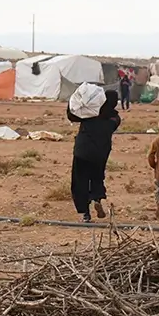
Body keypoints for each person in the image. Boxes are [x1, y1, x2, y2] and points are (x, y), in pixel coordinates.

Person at [68, 90, 121, 222]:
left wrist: (75, 100)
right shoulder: (114, 119)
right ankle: (97, 198)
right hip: (100, 153)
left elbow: (72, 115)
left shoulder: (90, 113)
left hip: (82, 151)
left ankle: (85, 213)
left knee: (80, 180)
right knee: (97, 177)